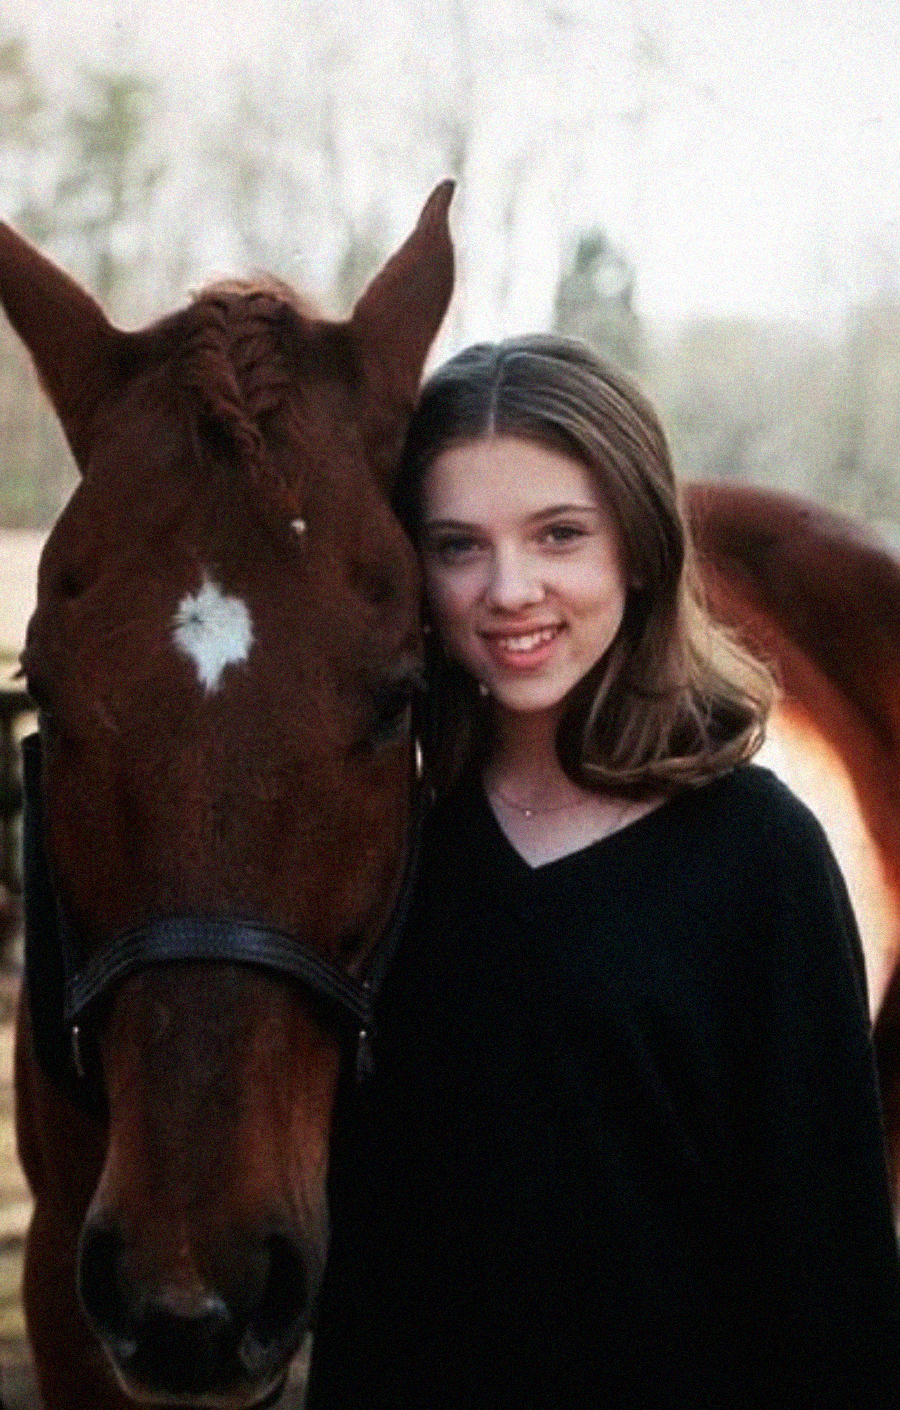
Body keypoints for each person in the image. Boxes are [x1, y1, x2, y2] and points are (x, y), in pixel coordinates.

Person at [305, 335, 900, 1409]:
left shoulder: (759, 857)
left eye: (558, 535)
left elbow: (833, 1274)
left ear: (637, 546)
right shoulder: (387, 851)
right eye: (457, 546)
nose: (510, 589)